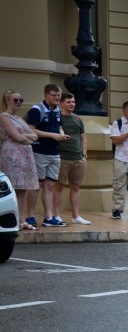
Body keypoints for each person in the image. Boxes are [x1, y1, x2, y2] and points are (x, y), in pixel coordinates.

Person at [26, 83, 70, 227]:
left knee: (50, 185)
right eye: (54, 95)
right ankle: (30, 216)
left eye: (59, 95)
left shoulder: (57, 110)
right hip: (39, 152)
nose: (57, 98)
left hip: (54, 152)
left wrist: (61, 135)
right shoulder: (37, 109)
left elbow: (60, 127)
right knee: (35, 185)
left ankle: (48, 217)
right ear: (46, 95)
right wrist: (52, 135)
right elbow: (30, 130)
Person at [1, 89, 40, 230]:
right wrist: (24, 136)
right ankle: (14, 220)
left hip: (25, 154)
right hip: (12, 154)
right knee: (13, 187)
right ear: (7, 100)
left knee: (23, 188)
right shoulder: (4, 117)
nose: (18, 102)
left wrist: (24, 136)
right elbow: (17, 137)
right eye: (15, 100)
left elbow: (34, 136)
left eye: (20, 100)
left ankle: (22, 221)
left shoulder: (19, 119)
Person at [54, 92, 91, 224]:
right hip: (62, 157)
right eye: (69, 102)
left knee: (75, 187)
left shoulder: (78, 119)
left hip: (78, 158)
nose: (72, 104)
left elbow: (83, 138)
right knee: (58, 186)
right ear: (62, 103)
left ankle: (76, 216)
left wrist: (84, 154)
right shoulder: (56, 117)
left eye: (73, 102)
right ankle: (57, 215)